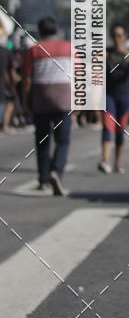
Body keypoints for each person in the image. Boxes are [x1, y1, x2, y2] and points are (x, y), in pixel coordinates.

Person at [21, 16, 72, 196]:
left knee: (42, 141)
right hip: (64, 99)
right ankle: (56, 171)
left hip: (40, 99)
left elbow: (27, 80)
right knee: (63, 140)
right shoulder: (69, 48)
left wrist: (25, 103)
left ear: (40, 31)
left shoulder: (33, 50)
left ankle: (43, 180)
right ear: (56, 30)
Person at [98, 25, 129, 174]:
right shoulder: (107, 52)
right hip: (108, 95)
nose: (116, 38)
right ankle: (105, 161)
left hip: (125, 95)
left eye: (119, 35)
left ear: (124, 37)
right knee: (108, 127)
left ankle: (118, 162)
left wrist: (126, 53)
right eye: (114, 35)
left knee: (120, 130)